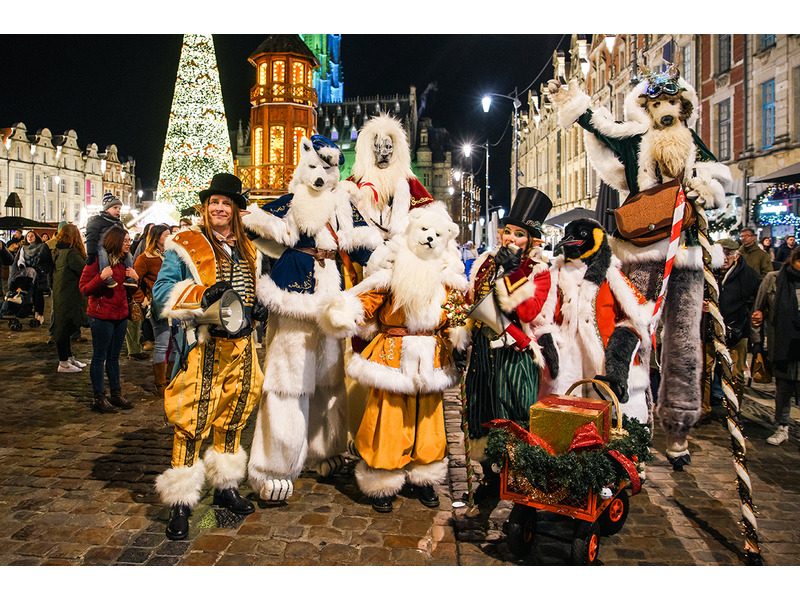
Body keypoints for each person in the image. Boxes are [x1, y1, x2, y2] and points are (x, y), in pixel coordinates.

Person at [152, 173, 264, 541]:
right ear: (206, 207)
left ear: (235, 209)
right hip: (203, 345)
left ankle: (226, 486)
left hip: (242, 344)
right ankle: (181, 502)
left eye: (226, 203)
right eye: (214, 202)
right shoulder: (184, 244)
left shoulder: (249, 247)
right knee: (192, 419)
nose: (219, 208)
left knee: (234, 414)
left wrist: (259, 305)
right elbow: (162, 291)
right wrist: (199, 294)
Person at [463, 188, 555, 500]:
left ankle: (517, 479)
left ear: (532, 241)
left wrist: (513, 272)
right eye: (508, 232)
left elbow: (528, 311)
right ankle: (490, 477)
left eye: (519, 235)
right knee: (482, 409)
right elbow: (472, 297)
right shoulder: (485, 262)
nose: (510, 239)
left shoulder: (538, 272)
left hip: (516, 354)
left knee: (514, 416)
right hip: (484, 351)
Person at [79, 226, 138, 413]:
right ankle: (99, 397)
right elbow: (84, 289)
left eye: (129, 240)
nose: (129, 244)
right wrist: (101, 278)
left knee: (114, 357)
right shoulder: (97, 262)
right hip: (101, 315)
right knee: (99, 356)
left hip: (121, 315)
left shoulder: (124, 263)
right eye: (125, 241)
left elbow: (128, 290)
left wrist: (136, 279)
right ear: (115, 242)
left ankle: (116, 393)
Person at [705, 238, 761, 412]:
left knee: (736, 373)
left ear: (736, 256)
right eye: (721, 253)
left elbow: (760, 297)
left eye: (728, 253)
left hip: (737, 330)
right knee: (705, 370)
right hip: (709, 328)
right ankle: (704, 410)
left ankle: (733, 411)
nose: (724, 257)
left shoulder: (748, 274)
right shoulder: (708, 272)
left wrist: (758, 313)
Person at [752, 246, 800, 445]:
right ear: (793, 260)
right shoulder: (774, 278)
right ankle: (782, 426)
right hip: (782, 343)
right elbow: (757, 311)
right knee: (783, 388)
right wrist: (756, 345)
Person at [133, 224, 176, 397]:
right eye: (166, 235)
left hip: (175, 304)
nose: (170, 238)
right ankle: (160, 384)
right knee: (162, 343)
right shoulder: (146, 258)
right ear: (157, 238)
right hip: (158, 305)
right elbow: (133, 280)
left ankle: (170, 380)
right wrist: (143, 299)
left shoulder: (173, 255)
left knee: (176, 344)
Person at [52, 224, 88, 373]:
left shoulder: (58, 251)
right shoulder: (70, 254)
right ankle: (64, 362)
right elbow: (84, 270)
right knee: (64, 328)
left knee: (64, 327)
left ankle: (68, 357)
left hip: (61, 294)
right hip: (69, 295)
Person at [85, 193, 137, 290]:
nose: (118, 210)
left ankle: (129, 275)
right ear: (106, 209)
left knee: (128, 255)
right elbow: (91, 237)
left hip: (116, 248)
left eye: (119, 208)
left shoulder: (119, 223)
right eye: (115, 207)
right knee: (102, 253)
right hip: (102, 246)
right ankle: (106, 275)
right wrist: (91, 253)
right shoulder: (98, 221)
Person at [13, 230, 53, 323]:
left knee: (38, 294)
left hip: (39, 273)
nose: (30, 238)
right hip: (29, 274)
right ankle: (30, 311)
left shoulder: (41, 246)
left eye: (32, 236)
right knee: (29, 293)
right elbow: (21, 260)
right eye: (28, 236)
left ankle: (39, 313)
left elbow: (44, 259)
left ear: (35, 237)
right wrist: (22, 268)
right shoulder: (23, 248)